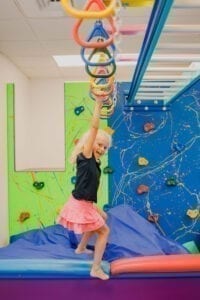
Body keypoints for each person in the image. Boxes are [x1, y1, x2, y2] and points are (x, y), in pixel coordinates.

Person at [57, 97, 112, 280]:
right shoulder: (86, 155)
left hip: (83, 202)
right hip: (80, 203)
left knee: (101, 217)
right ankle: (95, 268)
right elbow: (94, 127)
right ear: (90, 142)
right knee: (104, 231)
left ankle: (81, 248)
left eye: (105, 147)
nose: (102, 149)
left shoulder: (94, 161)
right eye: (99, 144)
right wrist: (98, 104)